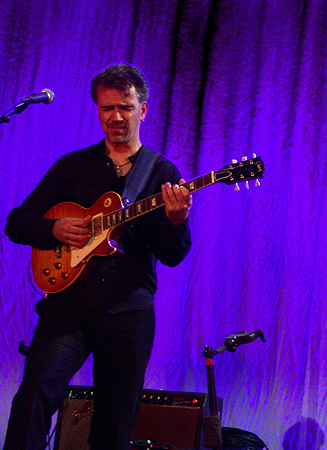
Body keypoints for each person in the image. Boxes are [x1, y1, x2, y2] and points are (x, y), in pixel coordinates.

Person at [3, 63, 192, 450]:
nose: (116, 117)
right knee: (33, 397)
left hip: (128, 311)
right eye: (107, 109)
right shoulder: (74, 166)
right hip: (68, 306)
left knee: (115, 422)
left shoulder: (161, 173)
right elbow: (17, 223)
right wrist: (52, 229)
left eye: (125, 107)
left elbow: (172, 256)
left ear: (143, 109)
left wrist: (176, 220)